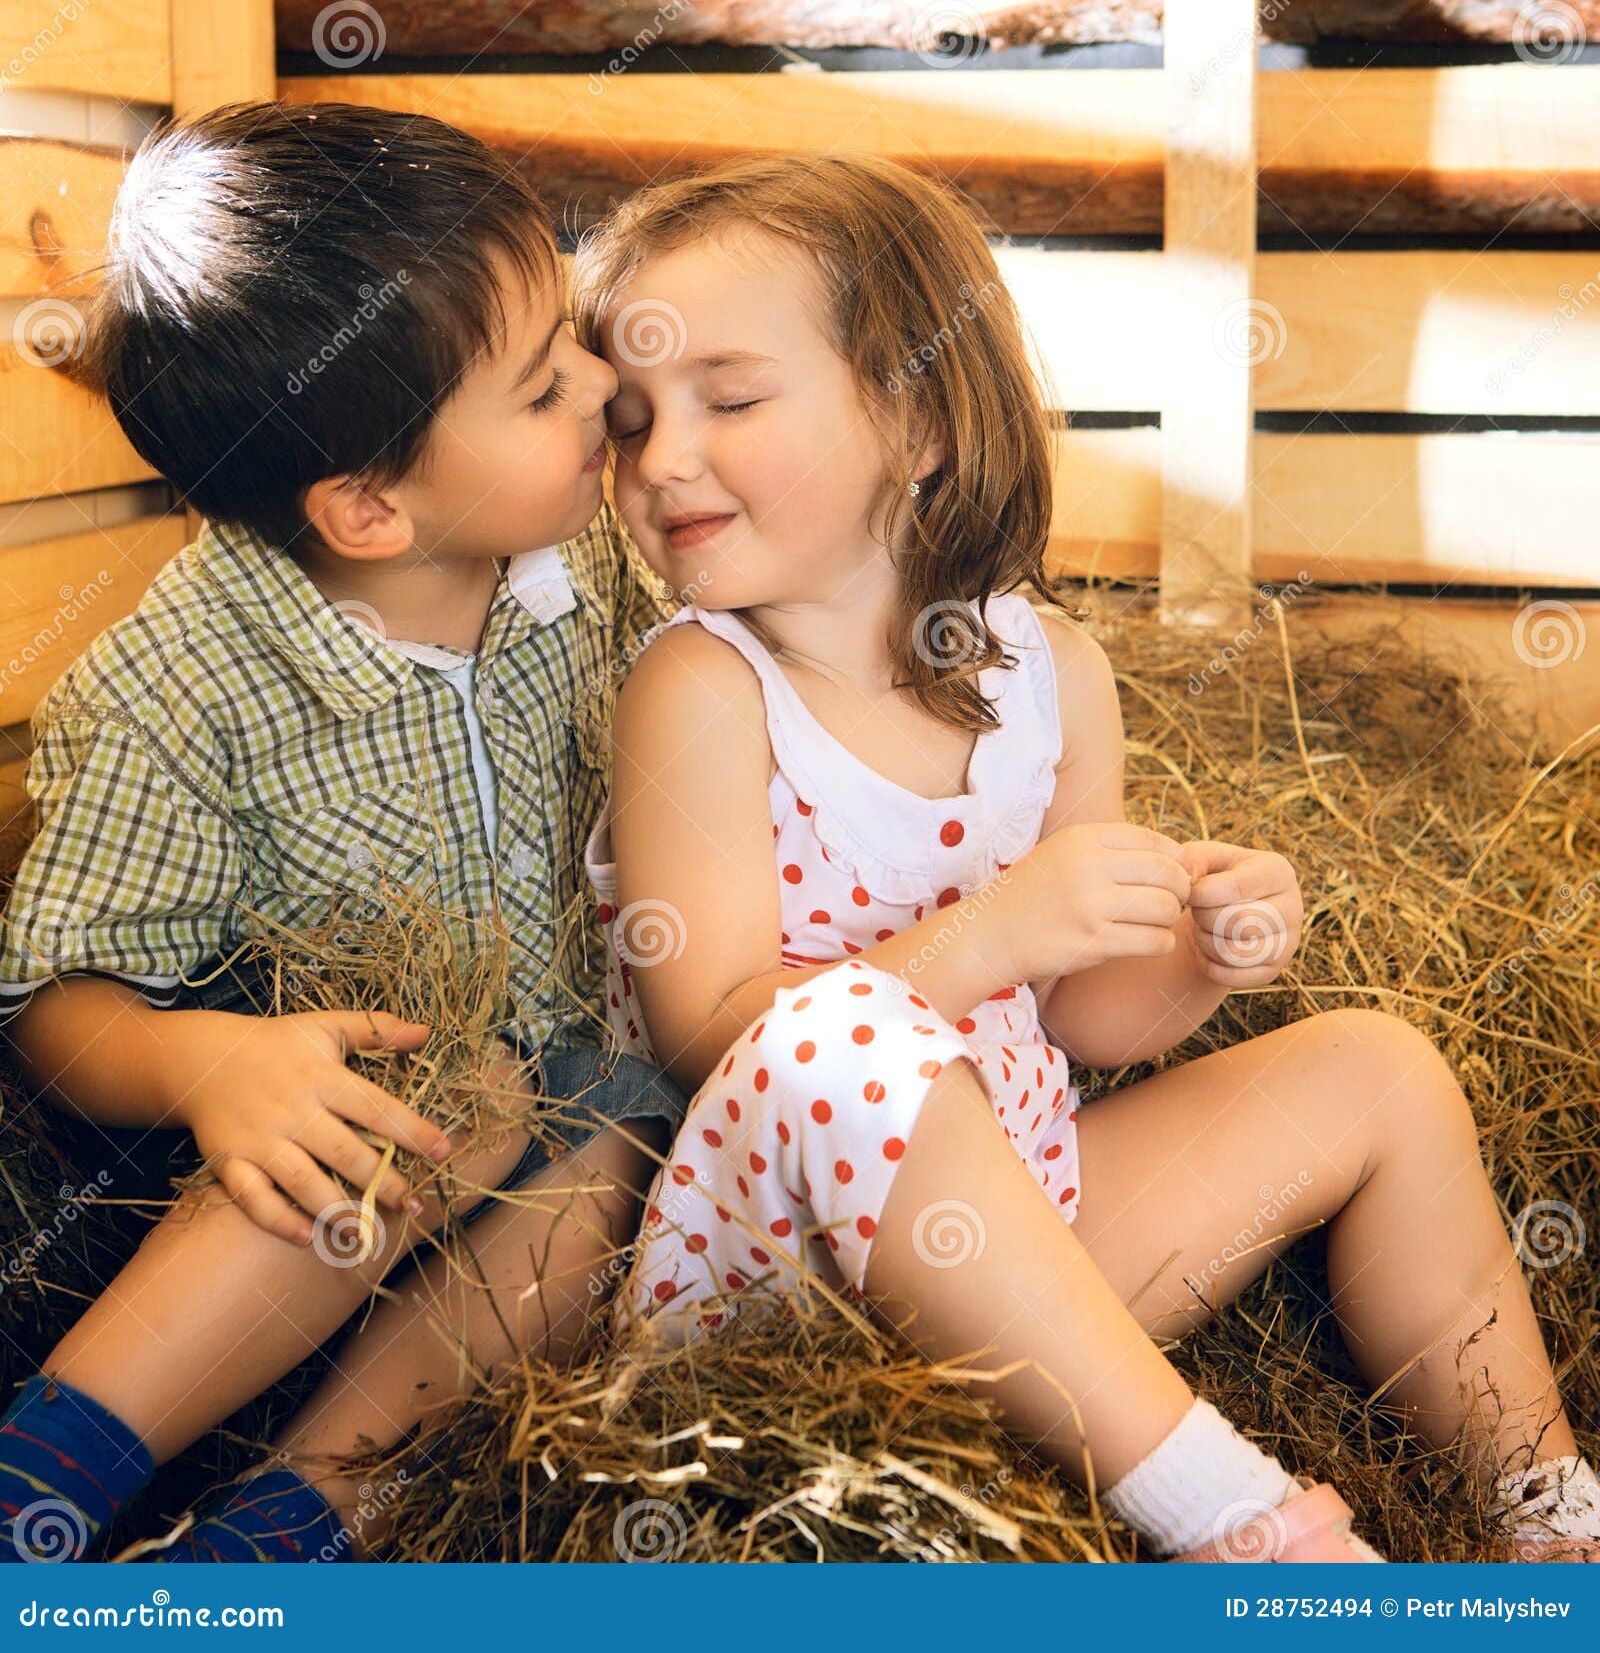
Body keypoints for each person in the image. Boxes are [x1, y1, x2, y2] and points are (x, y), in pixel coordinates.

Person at [568, 153, 1600, 1563]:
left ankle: (1544, 1502)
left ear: (918, 418)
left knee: (1382, 1067)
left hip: (1032, 1249)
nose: (661, 457)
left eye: (729, 399)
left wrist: (1194, 952)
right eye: (627, 422)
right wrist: (992, 931)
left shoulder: (1050, 668)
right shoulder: (699, 683)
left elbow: (1087, 1024)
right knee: (837, 1029)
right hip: (784, 1288)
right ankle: (1234, 1514)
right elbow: (712, 1030)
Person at [0, 102, 687, 1563]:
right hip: (289, 1200)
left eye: (572, 333)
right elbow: (55, 1002)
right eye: (537, 383)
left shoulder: (597, 580)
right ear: (370, 508)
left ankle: (300, 1510)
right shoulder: (178, 686)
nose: (602, 386)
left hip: (549, 1133)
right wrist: (212, 1063)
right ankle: (38, 1483)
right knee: (445, 1092)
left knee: (618, 1125)